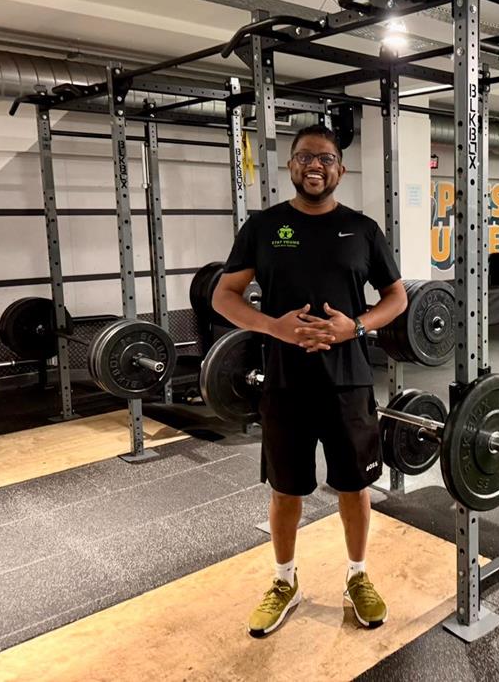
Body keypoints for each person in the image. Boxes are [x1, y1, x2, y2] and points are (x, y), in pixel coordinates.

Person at [212, 125, 407, 638]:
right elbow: (224, 295)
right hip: (285, 382)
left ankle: (358, 577)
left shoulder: (362, 229)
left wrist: (355, 326)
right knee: (285, 490)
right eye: (304, 157)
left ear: (340, 168)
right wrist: (272, 326)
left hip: (349, 382)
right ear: (291, 166)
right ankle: (284, 582)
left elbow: (397, 297)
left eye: (325, 158)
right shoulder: (263, 226)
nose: (314, 165)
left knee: (354, 486)